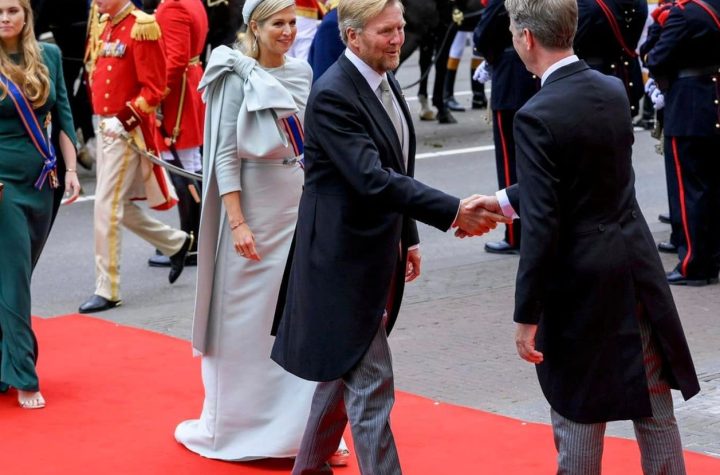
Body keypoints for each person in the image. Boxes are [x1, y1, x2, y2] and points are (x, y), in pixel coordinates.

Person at [270, 1, 510, 473]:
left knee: (345, 372)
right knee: (372, 384)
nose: (399, 38)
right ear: (353, 36)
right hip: (340, 262)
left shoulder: (382, 77)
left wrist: (410, 237)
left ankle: (308, 467)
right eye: (387, 31)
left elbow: (397, 167)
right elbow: (373, 179)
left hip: (373, 252)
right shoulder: (335, 92)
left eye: (400, 28)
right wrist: (453, 210)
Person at [498, 0, 701, 472]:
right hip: (633, 265)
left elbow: (545, 222)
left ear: (527, 37)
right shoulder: (611, 89)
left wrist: (527, 313)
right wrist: (505, 200)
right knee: (654, 406)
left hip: (580, 281)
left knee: (579, 412)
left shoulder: (535, 114)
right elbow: (587, 174)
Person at [175, 0, 348, 465]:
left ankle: (298, 431)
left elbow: (312, 143)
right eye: (278, 23)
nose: (289, 31)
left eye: (293, 23)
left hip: (295, 204)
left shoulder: (303, 74)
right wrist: (237, 222)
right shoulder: (233, 73)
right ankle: (237, 427)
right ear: (255, 26)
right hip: (250, 207)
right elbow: (224, 155)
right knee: (244, 320)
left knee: (295, 318)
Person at [78, 0, 193, 314]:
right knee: (117, 205)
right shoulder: (106, 22)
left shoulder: (142, 25)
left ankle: (107, 288)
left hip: (126, 131)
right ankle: (176, 242)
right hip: (106, 127)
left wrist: (124, 120)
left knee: (105, 206)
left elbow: (154, 88)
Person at [0, 0, 81, 409]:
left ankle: (2, 364)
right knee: (13, 279)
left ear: (26, 15)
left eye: (12, 10)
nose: (4, 18)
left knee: (15, 276)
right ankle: (22, 375)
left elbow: (64, 115)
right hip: (2, 187)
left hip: (43, 181)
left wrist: (70, 169)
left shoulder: (48, 55)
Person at [646, 0, 720, 286]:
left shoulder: (682, 13)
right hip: (713, 100)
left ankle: (694, 264)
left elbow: (655, 59)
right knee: (712, 188)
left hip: (688, 107)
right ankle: (712, 255)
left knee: (690, 192)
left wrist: (658, 25)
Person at [144, 0, 208, 268]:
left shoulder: (172, 7)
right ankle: (197, 238)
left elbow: (174, 59)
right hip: (189, 82)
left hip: (177, 94)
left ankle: (189, 242)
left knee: (180, 166)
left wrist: (156, 95)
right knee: (191, 165)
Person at [473, 0, 538, 254]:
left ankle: (516, 235)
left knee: (511, 165)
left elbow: (483, 35)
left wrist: (492, 57)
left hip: (511, 78)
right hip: (539, 77)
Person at [574, 0, 648, 115]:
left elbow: (571, 44)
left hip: (593, 80)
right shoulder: (640, 3)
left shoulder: (589, 4)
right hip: (627, 77)